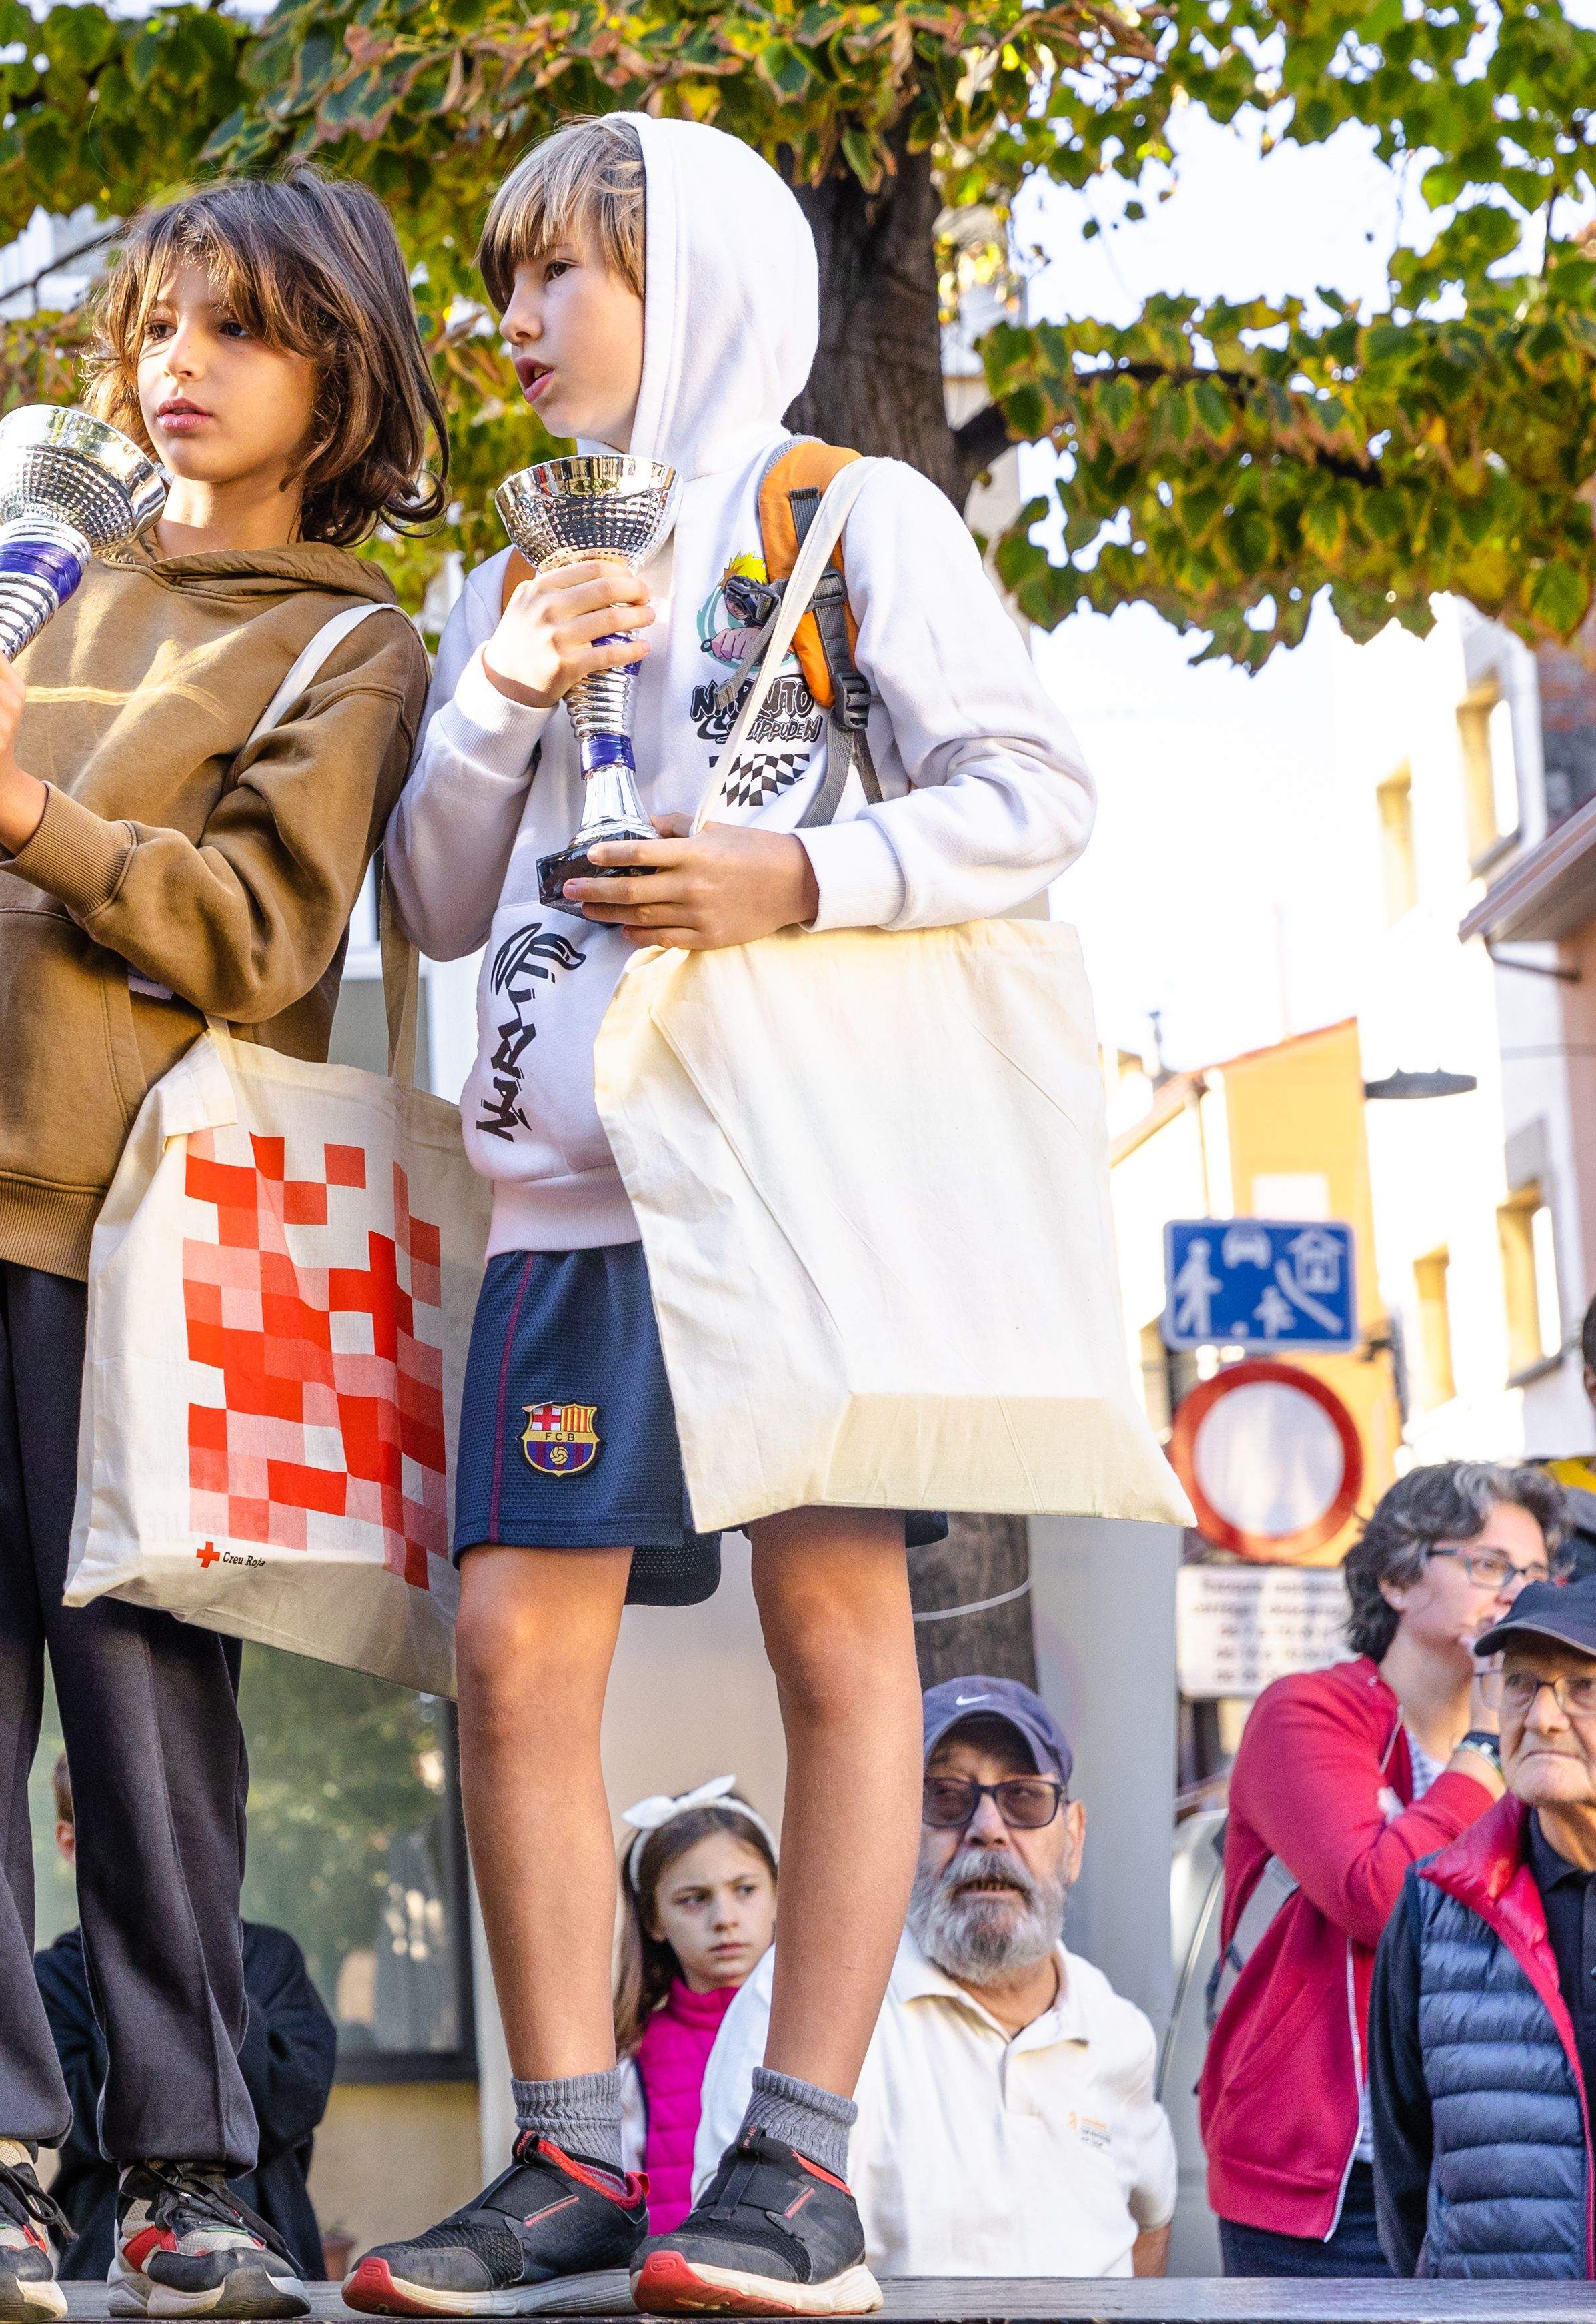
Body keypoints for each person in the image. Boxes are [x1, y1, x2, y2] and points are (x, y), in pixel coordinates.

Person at [347, 113, 1093, 2321]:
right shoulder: (507, 581)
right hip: (575, 1201)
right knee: (506, 1659)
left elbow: (1033, 794)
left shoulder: (845, 520)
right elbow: (431, 898)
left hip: (792, 1181)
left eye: (563, 276)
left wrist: (800, 877)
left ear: (709, 292)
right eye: (505, 283)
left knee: (841, 1646)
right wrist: (494, 689)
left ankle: (801, 2168)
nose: (515, 323)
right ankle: (579, 2146)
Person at [0, 168, 441, 2324]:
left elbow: (258, 934)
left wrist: (34, 816)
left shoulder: (350, 642)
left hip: (157, 1246)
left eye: (238, 328)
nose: (177, 364)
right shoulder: (19, 565)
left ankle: (192, 2173)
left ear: (341, 375)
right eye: (159, 320)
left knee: (148, 1720)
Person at [692, 1680, 1170, 2280]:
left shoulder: (1117, 2030)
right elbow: (748, 2260)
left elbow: (1151, 2221)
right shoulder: (806, 2000)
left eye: (1023, 1798)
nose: (988, 1828)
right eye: (945, 1798)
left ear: (1072, 1839)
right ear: (888, 1836)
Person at [1202, 1462, 1553, 2274]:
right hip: (1329, 2185)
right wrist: (1483, 1745)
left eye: (1534, 1573)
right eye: (1488, 1564)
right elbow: (1377, 1896)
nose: (1516, 1591)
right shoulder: (1306, 1712)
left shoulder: (1542, 1735)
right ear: (1397, 1577)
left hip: (1486, 2170)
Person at [31, 1757, 337, 2284]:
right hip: (110, 2269)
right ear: (69, 1843)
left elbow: (290, 2104)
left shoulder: (270, 1960)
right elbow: (76, 2125)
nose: (151, 1858)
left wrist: (197, 1962)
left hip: (269, 2256)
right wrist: (136, 1965)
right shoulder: (56, 1979)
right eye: (118, 1835)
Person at [1370, 1575, 1596, 2277]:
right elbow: (1405, 2179)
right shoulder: (1435, 1907)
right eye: (1524, 1683)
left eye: (1583, 1686)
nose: (1544, 1716)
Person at [615, 1781, 780, 2237]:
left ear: (778, 1894)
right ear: (654, 1920)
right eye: (694, 1899)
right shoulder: (632, 2061)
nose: (725, 1918)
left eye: (744, 1889)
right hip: (671, 2294)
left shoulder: (823, 2037)